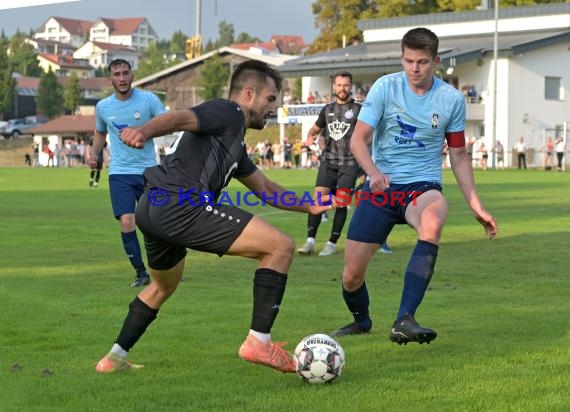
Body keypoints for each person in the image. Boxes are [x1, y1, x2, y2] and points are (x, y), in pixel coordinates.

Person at [94, 60, 334, 374]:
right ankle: (258, 342)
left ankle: (113, 358)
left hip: (152, 208)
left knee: (162, 287)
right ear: (249, 94)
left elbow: (265, 187)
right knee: (281, 247)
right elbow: (180, 117)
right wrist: (143, 130)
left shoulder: (233, 143)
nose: (274, 107)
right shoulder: (229, 112)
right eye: (271, 99)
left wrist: (309, 206)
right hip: (181, 204)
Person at [331, 28, 498, 345]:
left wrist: (477, 205)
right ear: (402, 58)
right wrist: (373, 172)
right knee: (351, 276)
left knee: (433, 221)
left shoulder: (451, 100)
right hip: (380, 189)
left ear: (435, 61)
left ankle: (404, 319)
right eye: (408, 61)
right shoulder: (385, 87)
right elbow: (357, 140)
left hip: (422, 186)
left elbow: (459, 155)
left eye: (422, 62)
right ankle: (362, 320)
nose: (414, 68)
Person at [88, 59, 167, 287]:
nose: (121, 78)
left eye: (125, 73)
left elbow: (165, 122)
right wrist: (94, 153)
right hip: (119, 173)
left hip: (148, 172)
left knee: (156, 223)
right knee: (127, 221)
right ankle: (141, 273)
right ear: (110, 79)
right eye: (117, 74)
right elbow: (100, 132)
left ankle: (169, 266)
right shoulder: (103, 107)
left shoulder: (149, 100)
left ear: (132, 75)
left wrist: (144, 132)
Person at [297, 71, 362, 257]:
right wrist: (311, 136)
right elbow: (315, 129)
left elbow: (368, 131)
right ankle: (310, 241)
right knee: (318, 200)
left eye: (346, 85)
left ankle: (332, 243)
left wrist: (363, 144)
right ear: (334, 86)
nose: (343, 89)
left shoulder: (358, 109)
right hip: (328, 161)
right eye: (339, 85)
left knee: (341, 203)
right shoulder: (327, 109)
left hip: (349, 163)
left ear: (351, 86)